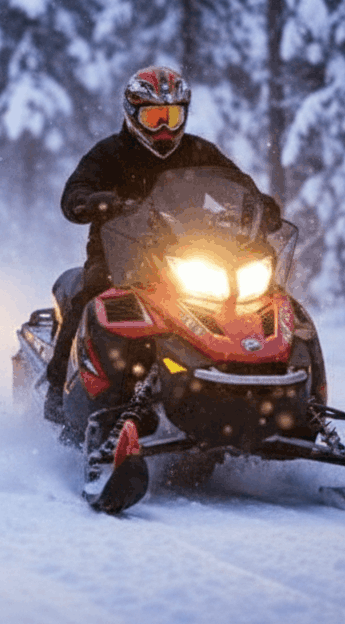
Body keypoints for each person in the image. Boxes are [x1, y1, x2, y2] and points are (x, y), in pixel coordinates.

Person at [43, 66, 281, 422]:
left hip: (192, 252)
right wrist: (92, 201)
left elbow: (238, 185)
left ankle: (281, 396)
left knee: (264, 301)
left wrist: (261, 206)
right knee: (91, 294)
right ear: (133, 115)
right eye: (154, 117)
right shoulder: (109, 154)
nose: (164, 129)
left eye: (172, 116)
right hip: (122, 255)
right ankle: (58, 392)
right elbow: (73, 194)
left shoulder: (199, 151)